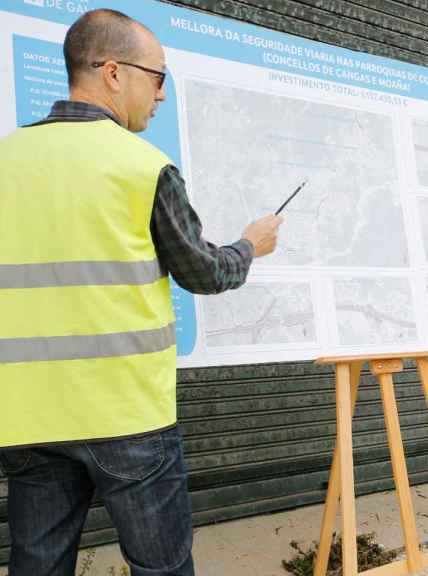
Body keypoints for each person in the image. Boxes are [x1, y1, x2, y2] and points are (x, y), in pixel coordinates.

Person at [0, 9, 282, 575]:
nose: (159, 96)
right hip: (126, 415)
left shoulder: (6, 160)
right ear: (112, 72)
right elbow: (204, 273)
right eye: (157, 79)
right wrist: (250, 245)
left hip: (27, 415)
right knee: (161, 568)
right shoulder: (142, 166)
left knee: (38, 567)